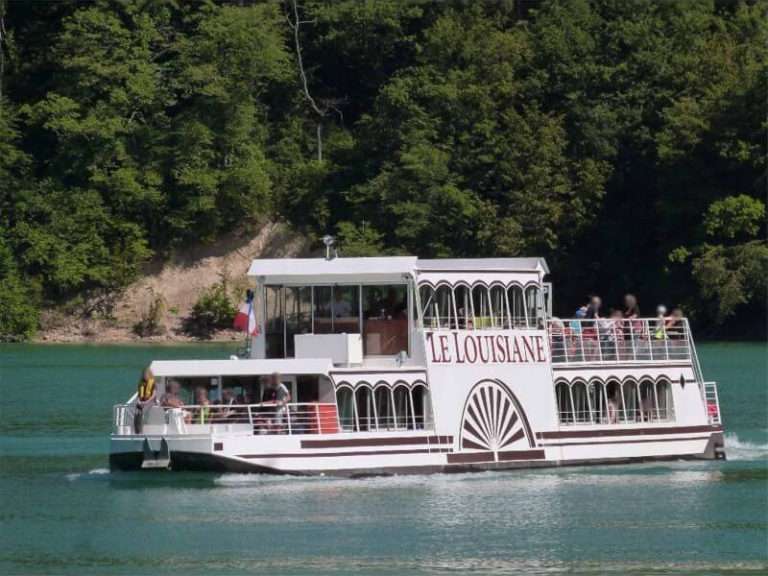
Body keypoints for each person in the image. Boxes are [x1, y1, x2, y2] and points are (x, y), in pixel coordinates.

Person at [134, 367, 157, 434]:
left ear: (149, 374)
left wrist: (147, 402)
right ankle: (138, 431)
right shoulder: (141, 383)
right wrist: (138, 401)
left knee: (144, 410)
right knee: (137, 411)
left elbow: (154, 395)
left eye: (146, 374)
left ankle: (144, 430)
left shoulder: (153, 383)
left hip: (150, 401)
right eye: (144, 374)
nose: (145, 376)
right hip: (142, 402)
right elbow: (139, 394)